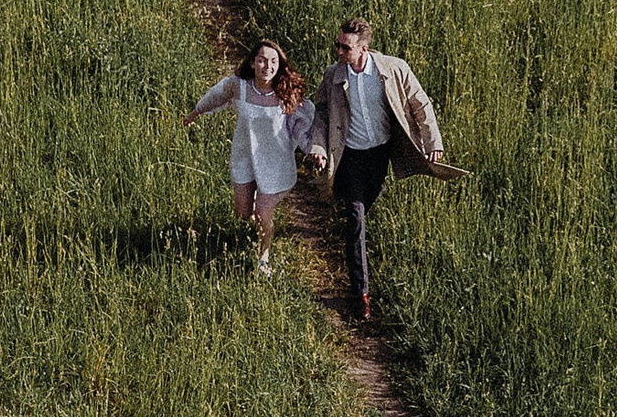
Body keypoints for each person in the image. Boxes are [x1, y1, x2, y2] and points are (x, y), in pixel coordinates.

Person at [303, 16, 463, 320]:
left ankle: (356, 253)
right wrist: (318, 149)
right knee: (355, 217)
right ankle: (360, 293)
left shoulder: (393, 69)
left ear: (364, 48)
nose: (338, 51)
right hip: (348, 156)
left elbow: (420, 103)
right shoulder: (333, 76)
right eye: (337, 44)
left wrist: (433, 141)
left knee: (365, 208)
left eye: (345, 47)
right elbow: (322, 115)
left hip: (379, 154)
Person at [184, 39, 313, 277]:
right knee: (244, 214)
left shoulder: (287, 93)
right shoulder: (239, 86)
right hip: (244, 157)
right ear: (253, 63)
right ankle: (251, 235)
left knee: (263, 211)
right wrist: (196, 112)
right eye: (263, 60)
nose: (268, 66)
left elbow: (301, 126)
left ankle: (263, 257)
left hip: (275, 161)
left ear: (280, 65)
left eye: (274, 61)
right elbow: (216, 95)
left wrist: (312, 149)